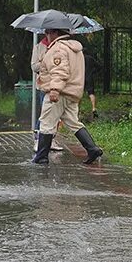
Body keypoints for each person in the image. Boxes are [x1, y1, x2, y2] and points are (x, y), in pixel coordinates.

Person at [32, 27, 104, 165]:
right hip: (72, 93)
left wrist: (54, 89)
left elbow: (60, 71)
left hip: (58, 93)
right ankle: (92, 149)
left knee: (46, 123)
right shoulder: (75, 49)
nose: (46, 35)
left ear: (56, 33)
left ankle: (41, 157)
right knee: (73, 122)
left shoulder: (58, 49)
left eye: (48, 32)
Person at [83, 50, 99, 118]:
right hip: (89, 77)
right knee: (91, 93)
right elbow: (99, 66)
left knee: (79, 93)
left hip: (81, 77)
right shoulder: (91, 58)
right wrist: (93, 72)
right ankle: (93, 108)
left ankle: (76, 110)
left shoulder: (80, 58)